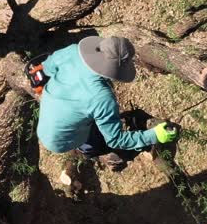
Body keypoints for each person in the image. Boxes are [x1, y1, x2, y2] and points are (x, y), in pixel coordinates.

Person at [35, 36, 177, 192]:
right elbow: (115, 140)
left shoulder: (72, 51)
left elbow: (44, 68)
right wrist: (154, 135)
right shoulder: (101, 97)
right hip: (63, 142)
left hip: (44, 123)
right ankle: (99, 153)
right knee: (101, 145)